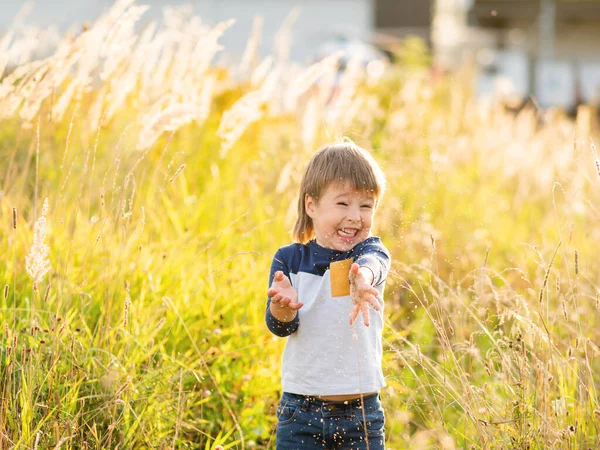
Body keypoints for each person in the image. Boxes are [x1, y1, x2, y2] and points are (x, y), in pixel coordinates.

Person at [266, 140, 391, 449]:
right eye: (343, 203)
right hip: (300, 412)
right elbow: (282, 327)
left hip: (361, 414)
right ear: (312, 205)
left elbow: (374, 264)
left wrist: (362, 278)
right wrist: (283, 307)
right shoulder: (290, 260)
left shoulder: (367, 251)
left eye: (366, 205)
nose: (355, 216)